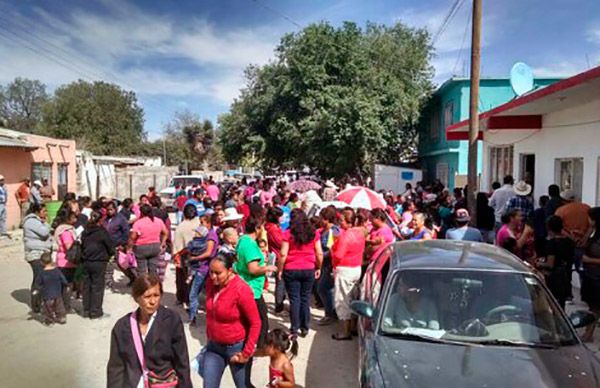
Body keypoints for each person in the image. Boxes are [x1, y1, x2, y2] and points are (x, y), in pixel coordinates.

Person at [107, 274, 191, 387]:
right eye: (147, 296)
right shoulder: (122, 327)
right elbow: (116, 367)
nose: (152, 301)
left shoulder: (172, 321)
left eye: (156, 295)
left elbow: (182, 361)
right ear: (136, 298)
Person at [203, 255, 261, 388]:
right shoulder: (210, 284)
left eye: (218, 273)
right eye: (211, 272)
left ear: (230, 271)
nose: (213, 277)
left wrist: (246, 353)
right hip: (214, 348)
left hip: (236, 349)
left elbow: (256, 322)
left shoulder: (242, 290)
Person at [234, 216, 277, 385]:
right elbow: (253, 269)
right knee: (259, 324)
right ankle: (251, 352)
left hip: (246, 287)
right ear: (258, 228)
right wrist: (267, 267)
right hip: (252, 291)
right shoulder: (251, 245)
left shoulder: (242, 240)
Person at [279, 209, 323, 337]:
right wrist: (318, 267)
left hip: (291, 268)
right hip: (309, 267)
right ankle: (305, 327)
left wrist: (280, 269)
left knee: (294, 299)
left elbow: (283, 254)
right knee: (305, 298)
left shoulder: (288, 234)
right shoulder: (314, 233)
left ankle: (294, 328)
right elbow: (319, 253)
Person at [331, 208, 365, 340]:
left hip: (345, 269)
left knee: (343, 300)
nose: (340, 223)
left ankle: (345, 332)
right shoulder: (361, 232)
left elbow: (339, 254)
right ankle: (353, 327)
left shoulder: (346, 235)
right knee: (353, 298)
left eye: (341, 221)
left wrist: (333, 249)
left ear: (347, 221)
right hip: (356, 268)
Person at [536, 215, 574, 310]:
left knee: (553, 303)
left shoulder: (552, 243)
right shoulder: (569, 241)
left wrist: (539, 264)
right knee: (562, 303)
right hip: (566, 275)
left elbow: (550, 264)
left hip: (554, 277)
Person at [23, 203, 53, 313]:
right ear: (37, 211)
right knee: (39, 279)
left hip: (41, 252)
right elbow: (44, 232)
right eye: (44, 211)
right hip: (35, 254)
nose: (45, 213)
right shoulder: (31, 221)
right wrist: (46, 223)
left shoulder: (37, 221)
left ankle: (40, 302)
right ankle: (36, 305)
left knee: (42, 278)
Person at [556, 189, 591, 273]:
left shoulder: (560, 210)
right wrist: (585, 238)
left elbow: (558, 227)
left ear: (564, 200)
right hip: (584, 244)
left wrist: (572, 238)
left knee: (566, 270)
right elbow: (592, 226)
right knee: (583, 270)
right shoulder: (587, 208)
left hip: (566, 243)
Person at [128, 204, 168, 276]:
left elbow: (133, 237)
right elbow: (166, 232)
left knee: (142, 271)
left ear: (141, 212)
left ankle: (143, 286)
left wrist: (130, 248)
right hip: (155, 246)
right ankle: (153, 285)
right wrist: (162, 243)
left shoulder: (138, 223)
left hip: (141, 248)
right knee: (153, 270)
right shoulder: (158, 221)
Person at [316, 206, 341, 325]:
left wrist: (319, 255)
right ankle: (332, 312)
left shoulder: (333, 231)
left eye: (321, 218)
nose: (320, 220)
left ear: (327, 219)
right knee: (328, 289)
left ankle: (330, 314)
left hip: (329, 265)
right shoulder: (324, 231)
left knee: (322, 288)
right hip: (324, 264)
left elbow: (332, 250)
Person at [173, 204, 200, 308]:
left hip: (186, 255)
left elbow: (177, 245)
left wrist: (176, 256)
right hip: (200, 254)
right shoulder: (200, 224)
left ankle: (183, 298)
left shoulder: (181, 227)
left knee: (183, 278)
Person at [53, 209, 79, 311]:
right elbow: (69, 247)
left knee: (63, 284)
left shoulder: (60, 229)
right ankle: (65, 306)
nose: (75, 219)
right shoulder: (66, 231)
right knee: (68, 285)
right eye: (73, 217)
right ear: (68, 219)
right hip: (66, 261)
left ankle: (62, 305)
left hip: (61, 260)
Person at [581, 207, 600, 342]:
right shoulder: (593, 233)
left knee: (595, 306)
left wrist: (590, 260)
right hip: (590, 274)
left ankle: (589, 333)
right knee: (592, 305)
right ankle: (589, 331)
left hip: (597, 275)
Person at [35, 252, 67, 325]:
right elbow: (63, 280)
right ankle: (61, 318)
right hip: (57, 293)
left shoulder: (42, 273)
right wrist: (65, 285)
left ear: (42, 263)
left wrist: (37, 289)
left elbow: (38, 283)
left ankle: (50, 320)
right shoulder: (57, 271)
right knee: (59, 307)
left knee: (48, 308)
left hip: (47, 294)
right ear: (51, 260)